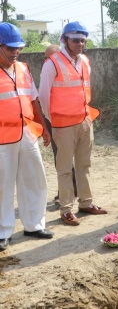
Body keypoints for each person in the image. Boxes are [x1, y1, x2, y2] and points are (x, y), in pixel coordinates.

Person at [39, 21, 107, 226]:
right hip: (63, 125)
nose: (79, 44)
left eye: (82, 40)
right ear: (65, 40)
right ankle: (66, 209)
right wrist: (54, 120)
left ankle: (86, 203)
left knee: (84, 165)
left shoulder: (84, 61)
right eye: (75, 40)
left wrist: (85, 117)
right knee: (65, 168)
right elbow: (43, 96)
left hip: (84, 120)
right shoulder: (52, 63)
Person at [0, 23, 54, 251]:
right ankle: (3, 231)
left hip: (27, 132)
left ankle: (33, 225)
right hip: (2, 136)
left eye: (18, 48)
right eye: (10, 48)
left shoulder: (23, 68)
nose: (15, 52)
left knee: (35, 178)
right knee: (2, 185)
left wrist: (43, 127)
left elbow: (33, 99)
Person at [44, 44, 76, 206]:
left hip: (65, 121)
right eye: (46, 57)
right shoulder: (50, 69)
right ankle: (70, 191)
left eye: (50, 57)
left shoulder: (66, 70)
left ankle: (67, 193)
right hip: (54, 119)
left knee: (63, 158)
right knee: (62, 157)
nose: (48, 61)